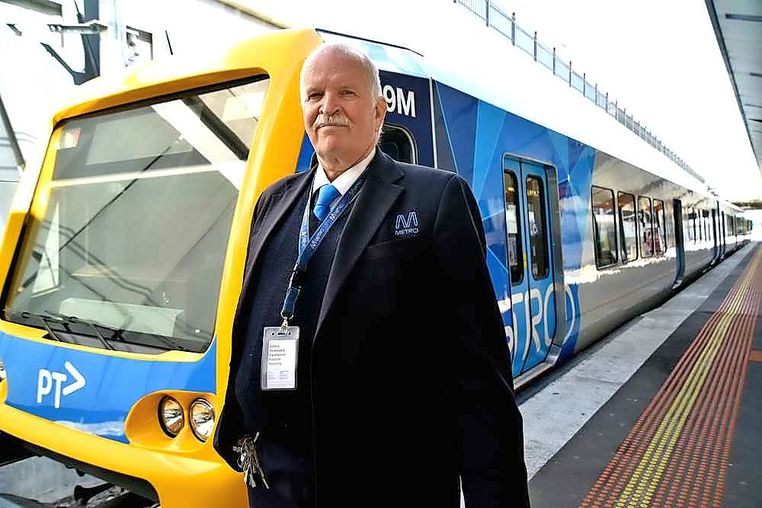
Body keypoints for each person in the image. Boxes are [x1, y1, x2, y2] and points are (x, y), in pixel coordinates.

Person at [214, 42, 529, 508]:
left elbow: (478, 378)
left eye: (346, 93)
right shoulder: (272, 203)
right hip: (276, 484)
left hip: (388, 484)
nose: (328, 107)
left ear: (379, 111)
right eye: (315, 95)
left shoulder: (435, 199)